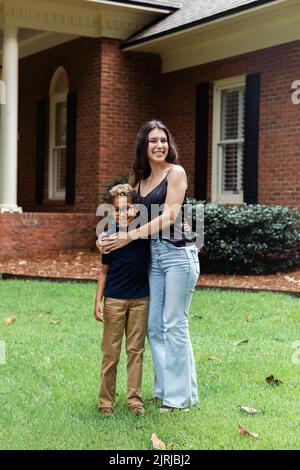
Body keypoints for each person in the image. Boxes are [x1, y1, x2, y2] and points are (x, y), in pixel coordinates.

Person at [97, 120, 199, 411]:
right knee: (155, 326)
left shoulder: (175, 173)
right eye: (153, 140)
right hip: (155, 257)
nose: (159, 145)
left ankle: (179, 399)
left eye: (163, 140)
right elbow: (123, 218)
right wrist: (104, 240)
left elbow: (168, 217)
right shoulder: (139, 184)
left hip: (179, 254)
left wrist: (128, 235)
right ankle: (166, 390)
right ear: (143, 146)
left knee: (175, 322)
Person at [94, 183, 150, 415]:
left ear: (136, 209)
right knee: (110, 352)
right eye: (117, 209)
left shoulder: (145, 234)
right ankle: (106, 402)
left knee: (135, 350)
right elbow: (104, 272)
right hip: (114, 300)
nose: (122, 213)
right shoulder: (108, 236)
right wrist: (98, 300)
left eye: (127, 208)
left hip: (140, 300)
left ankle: (134, 400)